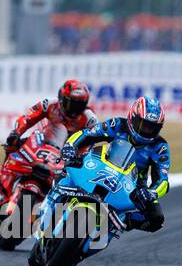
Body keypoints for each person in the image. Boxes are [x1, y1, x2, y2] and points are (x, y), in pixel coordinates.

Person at [60, 97, 170, 232]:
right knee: (66, 169)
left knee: (156, 219)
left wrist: (152, 192)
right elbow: (88, 133)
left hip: (134, 185)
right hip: (101, 165)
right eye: (143, 125)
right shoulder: (117, 124)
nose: (146, 131)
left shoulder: (160, 146)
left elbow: (163, 180)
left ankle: (120, 220)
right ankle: (52, 202)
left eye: (152, 128)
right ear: (132, 118)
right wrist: (70, 145)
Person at [0, 79, 96, 205]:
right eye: (71, 104)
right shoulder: (49, 104)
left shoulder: (89, 118)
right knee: (12, 147)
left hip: (66, 155)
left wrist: (80, 157)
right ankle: (0, 189)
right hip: (41, 144)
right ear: (62, 98)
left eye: (79, 105)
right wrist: (16, 132)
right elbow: (27, 118)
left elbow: (92, 142)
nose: (74, 109)